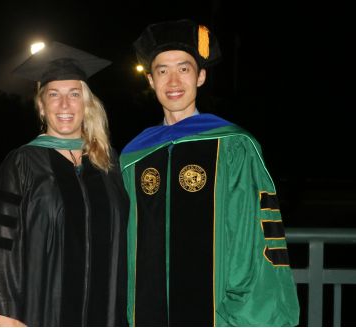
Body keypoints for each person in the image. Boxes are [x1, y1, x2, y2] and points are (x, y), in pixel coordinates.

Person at [120, 19, 299, 326]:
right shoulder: (134, 155)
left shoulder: (232, 146)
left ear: (201, 77)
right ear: (150, 80)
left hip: (219, 314)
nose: (173, 81)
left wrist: (236, 314)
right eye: (162, 71)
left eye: (184, 69)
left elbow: (252, 238)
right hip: (148, 313)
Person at [0, 42, 129, 327]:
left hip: (106, 314)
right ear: (41, 105)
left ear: (86, 103)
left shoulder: (109, 163)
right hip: (41, 313)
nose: (64, 105)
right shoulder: (23, 163)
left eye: (74, 94)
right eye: (54, 95)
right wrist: (8, 320)